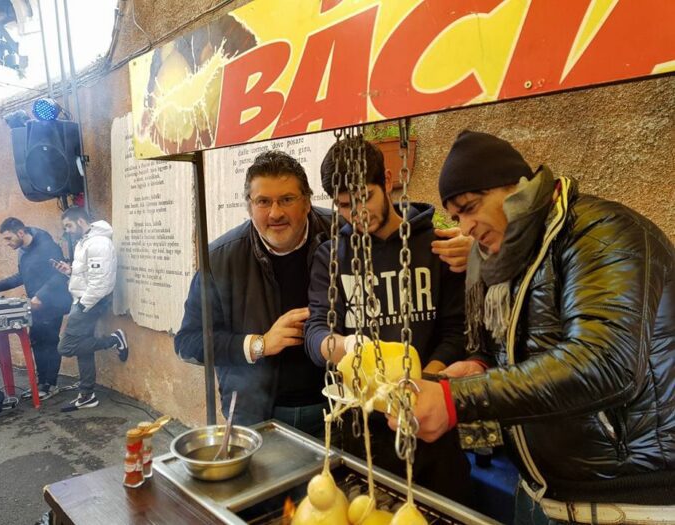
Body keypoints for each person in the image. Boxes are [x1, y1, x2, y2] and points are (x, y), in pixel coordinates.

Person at [396, 130, 675, 523]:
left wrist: (459, 400)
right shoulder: (509, 259)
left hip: (628, 502)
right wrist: (479, 369)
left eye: (471, 206)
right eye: (457, 216)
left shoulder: (603, 233)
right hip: (541, 492)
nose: (466, 227)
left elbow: (605, 363)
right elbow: (528, 357)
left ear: (514, 186)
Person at [304, 138, 473, 502]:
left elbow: (455, 332)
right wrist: (345, 345)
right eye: (345, 206)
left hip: (432, 432)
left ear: (389, 180)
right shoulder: (330, 255)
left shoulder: (436, 244)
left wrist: (423, 387)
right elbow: (316, 333)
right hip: (361, 433)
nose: (357, 214)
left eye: (364, 198)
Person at [175, 151, 332, 435]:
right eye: (263, 201)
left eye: (287, 199)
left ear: (307, 202)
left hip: (338, 405)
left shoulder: (342, 234)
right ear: (249, 206)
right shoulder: (220, 260)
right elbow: (188, 342)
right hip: (259, 417)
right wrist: (260, 344)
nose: (275, 213)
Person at [0, 217, 71, 400]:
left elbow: (59, 276)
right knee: (36, 342)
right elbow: (22, 275)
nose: (7, 243)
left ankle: (50, 385)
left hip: (52, 303)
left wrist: (41, 295)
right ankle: (41, 383)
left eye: (8, 238)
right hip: (35, 306)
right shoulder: (22, 250)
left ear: (20, 233)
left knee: (49, 343)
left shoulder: (47, 246)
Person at [55, 207, 129, 409]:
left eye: (68, 226)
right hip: (83, 299)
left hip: (89, 303)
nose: (67, 230)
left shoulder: (99, 243)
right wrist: (69, 271)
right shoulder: (85, 242)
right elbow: (88, 274)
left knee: (66, 347)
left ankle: (114, 340)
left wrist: (82, 305)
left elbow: (101, 282)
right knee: (82, 348)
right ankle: (87, 395)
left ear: (80, 222)